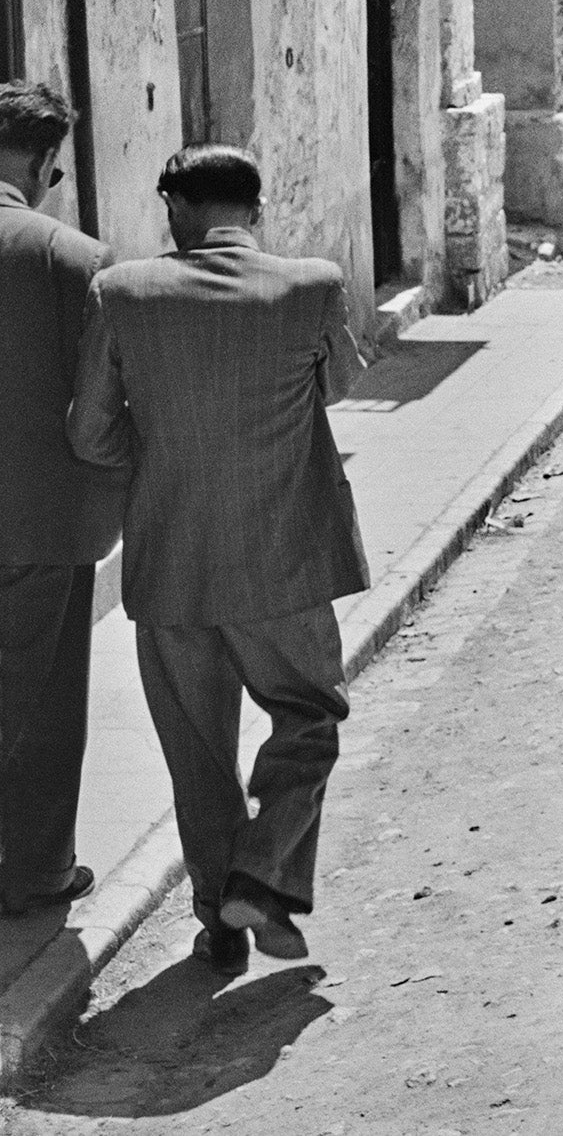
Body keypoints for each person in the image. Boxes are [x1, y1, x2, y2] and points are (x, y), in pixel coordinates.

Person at [67, 145, 366, 975]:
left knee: (198, 752)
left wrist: (164, 455)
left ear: (176, 210)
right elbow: (339, 386)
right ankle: (262, 876)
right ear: (257, 209)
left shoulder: (123, 292)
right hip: (285, 560)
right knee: (308, 716)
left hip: (170, 561)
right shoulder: (312, 284)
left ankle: (219, 921)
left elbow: (89, 434)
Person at [0, 81, 116, 919]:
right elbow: (99, 412)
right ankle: (35, 868)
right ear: (45, 163)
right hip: (36, 519)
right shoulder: (70, 257)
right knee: (37, 704)